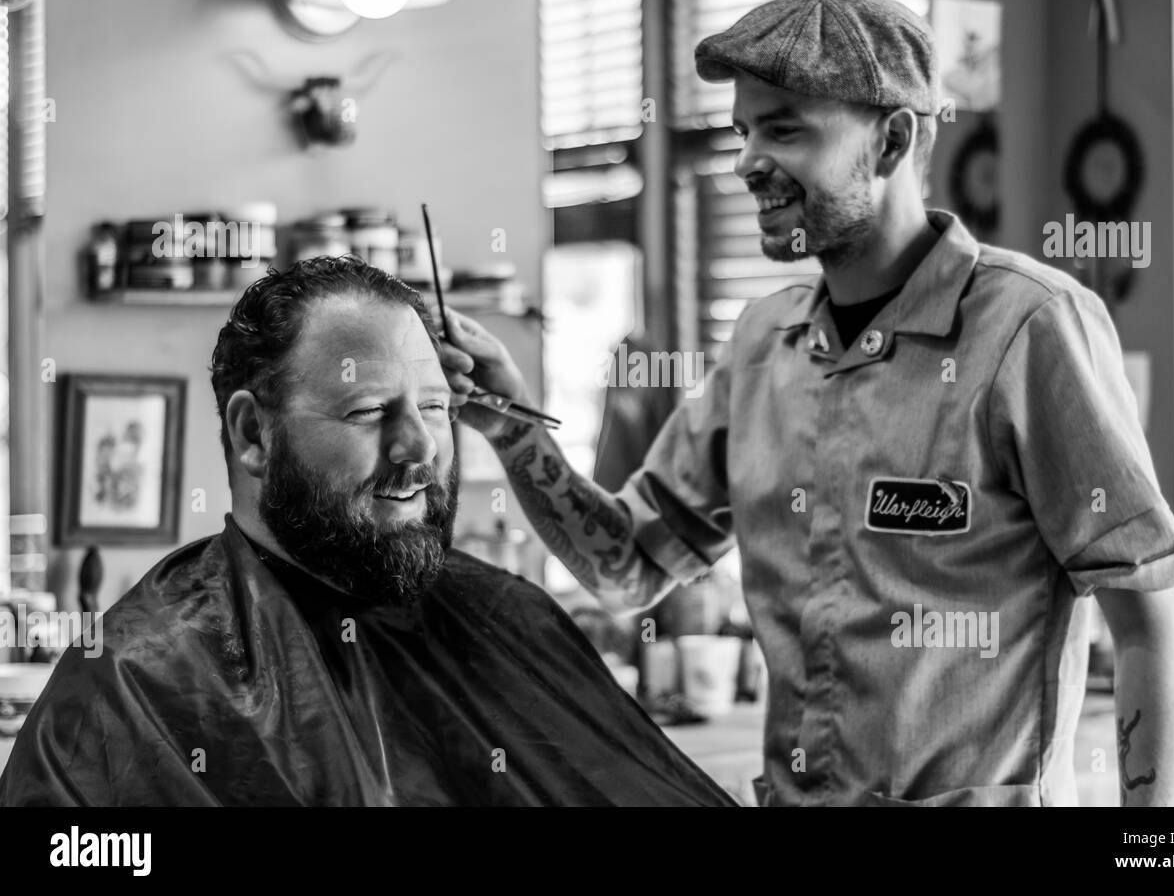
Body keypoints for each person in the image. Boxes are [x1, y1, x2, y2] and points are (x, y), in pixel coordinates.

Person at [438, 0, 1174, 807]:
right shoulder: (762, 343)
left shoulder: (1031, 328)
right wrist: (509, 427)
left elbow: (1148, 626)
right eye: (743, 131)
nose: (745, 161)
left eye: (786, 127)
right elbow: (626, 567)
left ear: (893, 140)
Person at [0, 256, 734, 807]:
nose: (419, 450)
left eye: (439, 408)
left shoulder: (506, 621)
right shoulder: (141, 679)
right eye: (367, 412)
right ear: (253, 433)